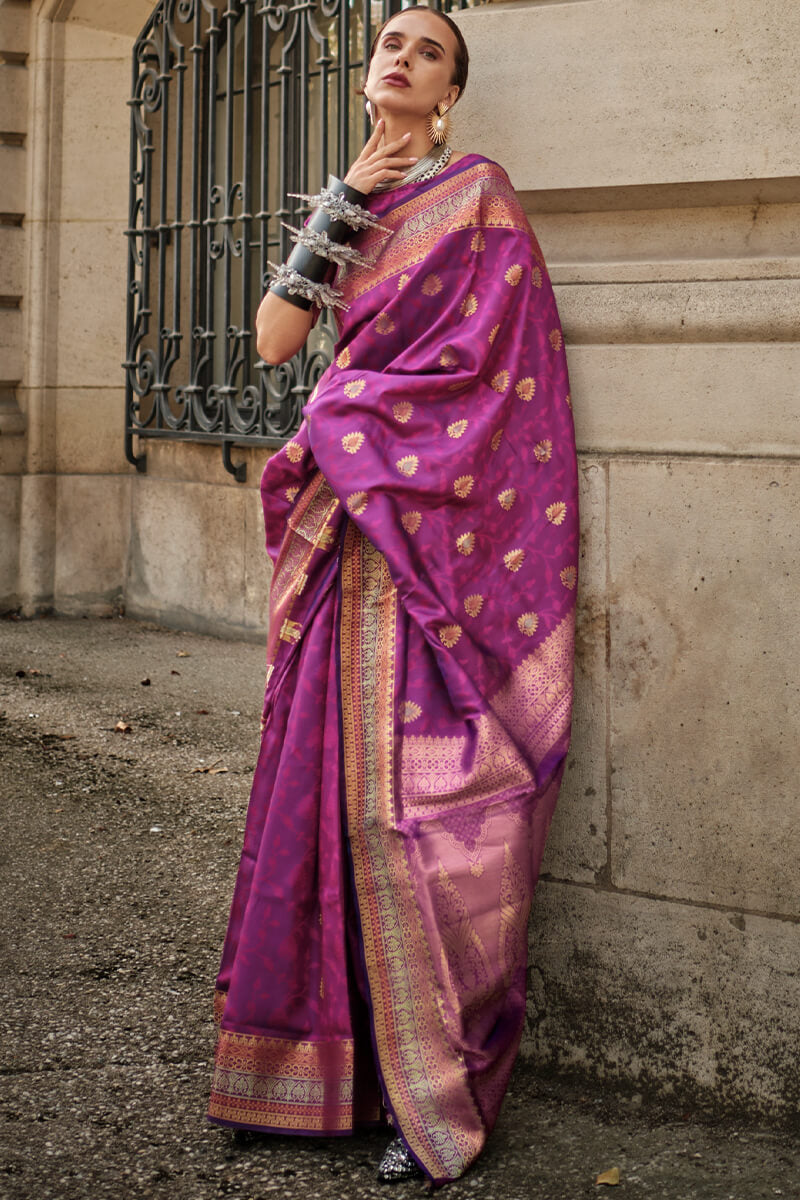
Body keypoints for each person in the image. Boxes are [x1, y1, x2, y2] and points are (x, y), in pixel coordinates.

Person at [207, 6, 578, 1185]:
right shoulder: (346, 203)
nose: (400, 56)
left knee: (426, 811)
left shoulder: (476, 195)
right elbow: (273, 342)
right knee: (319, 803)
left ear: (451, 90)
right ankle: (321, 1079)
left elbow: (498, 371)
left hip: (429, 538)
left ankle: (436, 1087)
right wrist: (334, 216)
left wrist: (364, 420)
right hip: (347, 543)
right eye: (389, 44)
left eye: (426, 49)